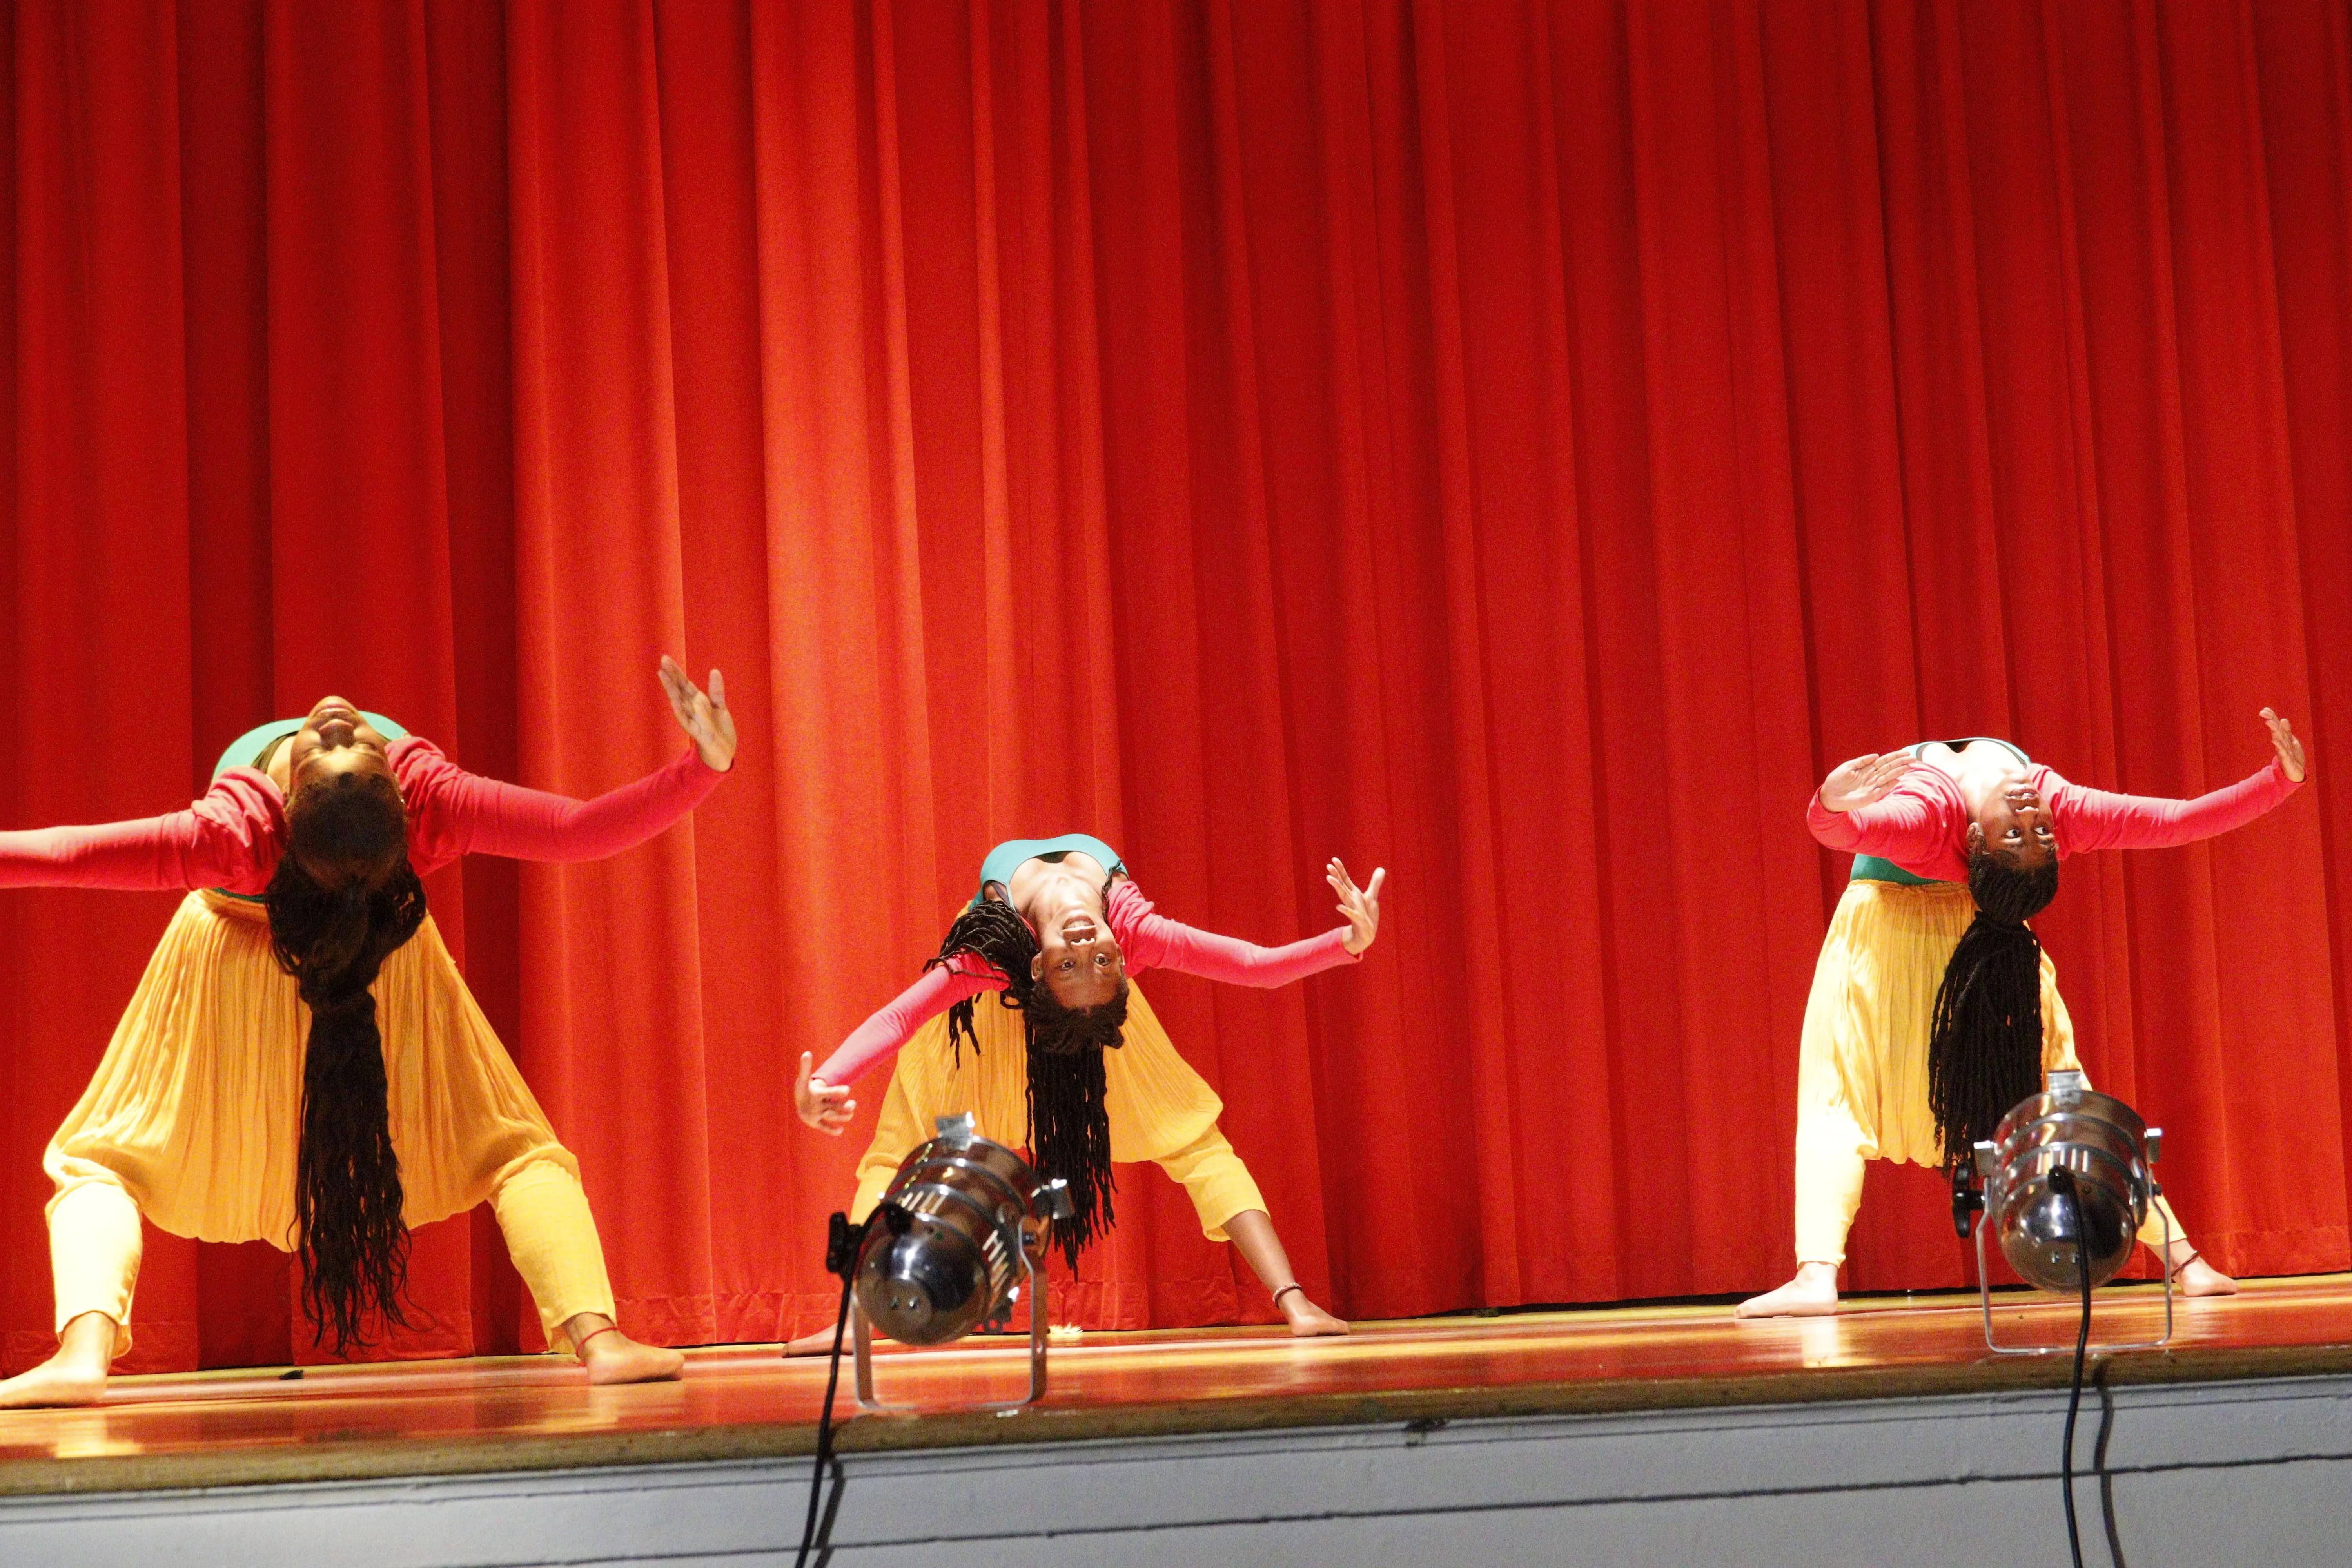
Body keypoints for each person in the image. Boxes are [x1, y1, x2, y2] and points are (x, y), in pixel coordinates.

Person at [0, 658, 736, 1405]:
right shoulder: (388, 811)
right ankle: (596, 1339)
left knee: (100, 1158)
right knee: (512, 1148)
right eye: (343, 746)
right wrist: (703, 769)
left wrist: (701, 769)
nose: (338, 723)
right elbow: (577, 831)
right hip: (366, 966)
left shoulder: (247, 833)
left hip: (282, 962)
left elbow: (68, 855)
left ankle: (83, 1356)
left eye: (337, 748)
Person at [1738, 710, 2307, 1319]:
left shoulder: (1929, 826)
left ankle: (1816, 1277)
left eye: (2018, 833)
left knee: (1840, 1093)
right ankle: (2184, 1261)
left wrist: (1829, 802)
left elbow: (1841, 829)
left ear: (1974, 841)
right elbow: (2178, 820)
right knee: (2060, 1098)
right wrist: (2281, 780)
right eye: (2038, 834)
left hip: (1894, 949)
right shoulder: (2056, 809)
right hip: (1976, 953)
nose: (2032, 816)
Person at [791, 836, 1383, 1347]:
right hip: (991, 1025)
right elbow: (1256, 964)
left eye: (1083, 962)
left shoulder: (1028, 956)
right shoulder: (1109, 939)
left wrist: (826, 1080)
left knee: (1193, 1142)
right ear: (1116, 961)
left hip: (1086, 1022)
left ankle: (1297, 1304)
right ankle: (853, 1320)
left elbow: (1257, 967)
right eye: (1095, 960)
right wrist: (1348, 941)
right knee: (899, 1149)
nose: (1083, 947)